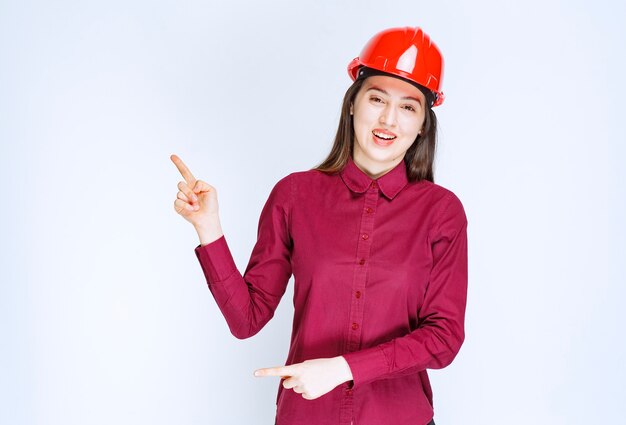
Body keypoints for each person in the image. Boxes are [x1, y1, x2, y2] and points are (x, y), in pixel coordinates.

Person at [171, 26, 467, 425]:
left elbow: (443, 339)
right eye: (376, 98)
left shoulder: (441, 212)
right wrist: (209, 229)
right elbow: (247, 319)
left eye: (408, 107)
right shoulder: (294, 195)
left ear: (423, 125)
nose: (388, 119)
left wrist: (343, 368)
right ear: (352, 104)